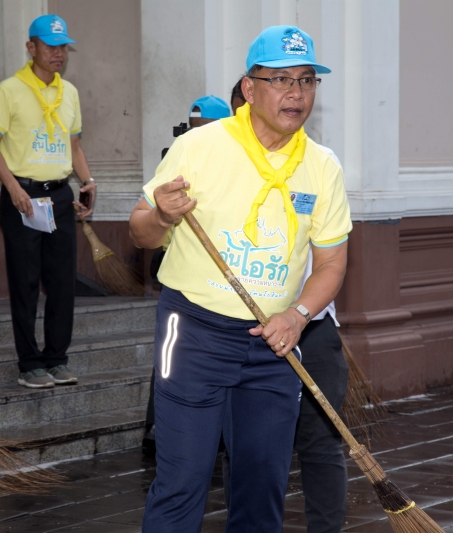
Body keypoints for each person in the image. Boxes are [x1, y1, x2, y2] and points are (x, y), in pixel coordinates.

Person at [130, 25, 351, 532]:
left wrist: (298, 317)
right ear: (249, 88)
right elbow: (140, 233)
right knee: (182, 481)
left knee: (261, 486)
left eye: (307, 80)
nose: (296, 93)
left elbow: (332, 263)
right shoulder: (201, 147)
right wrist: (161, 215)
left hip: (274, 344)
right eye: (280, 80)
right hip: (194, 334)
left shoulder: (321, 167)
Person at [0, 14, 96, 388]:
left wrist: (87, 180)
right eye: (50, 46)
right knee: (26, 281)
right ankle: (29, 363)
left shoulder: (71, 92)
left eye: (62, 46)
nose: (58, 53)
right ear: (31, 48)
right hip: (23, 198)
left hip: (58, 196)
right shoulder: (9, 89)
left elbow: (74, 144)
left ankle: (57, 359)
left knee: (62, 282)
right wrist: (14, 189)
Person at [143, 94, 232, 456]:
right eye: (192, 129)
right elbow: (147, 226)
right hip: (187, 294)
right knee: (170, 369)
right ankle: (159, 427)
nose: (197, 137)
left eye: (205, 129)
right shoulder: (181, 156)